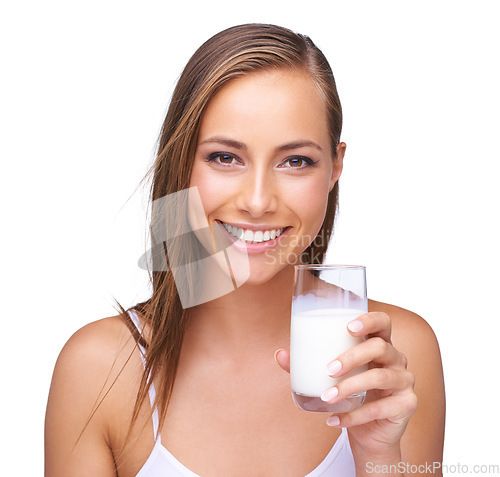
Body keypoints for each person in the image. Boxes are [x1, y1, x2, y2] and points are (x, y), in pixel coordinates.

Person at [45, 23, 445, 476]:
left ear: (335, 167)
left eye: (296, 161)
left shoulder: (396, 355)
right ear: (183, 163)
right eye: (225, 157)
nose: (257, 201)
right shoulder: (99, 370)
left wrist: (378, 456)